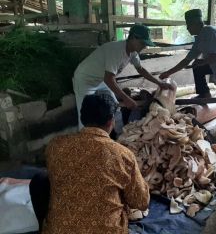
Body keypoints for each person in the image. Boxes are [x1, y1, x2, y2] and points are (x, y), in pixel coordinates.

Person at [30, 93, 150, 234]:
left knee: (41, 179)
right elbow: (141, 202)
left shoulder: (55, 146)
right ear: (111, 120)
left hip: (59, 230)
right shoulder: (123, 154)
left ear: (82, 118)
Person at [159, 9, 216, 131]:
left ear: (196, 23)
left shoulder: (209, 31)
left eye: (188, 25)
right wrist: (168, 73)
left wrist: (201, 61)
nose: (187, 29)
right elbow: (187, 60)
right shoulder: (200, 37)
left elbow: (215, 55)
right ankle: (204, 92)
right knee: (198, 67)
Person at [73, 24, 173, 129]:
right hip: (85, 80)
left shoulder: (133, 53)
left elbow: (141, 70)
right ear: (134, 38)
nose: (145, 47)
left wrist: (159, 83)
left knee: (114, 105)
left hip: (100, 80)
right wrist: (126, 99)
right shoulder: (116, 50)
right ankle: (83, 139)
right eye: (143, 43)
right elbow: (109, 79)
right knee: (86, 113)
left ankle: (120, 134)